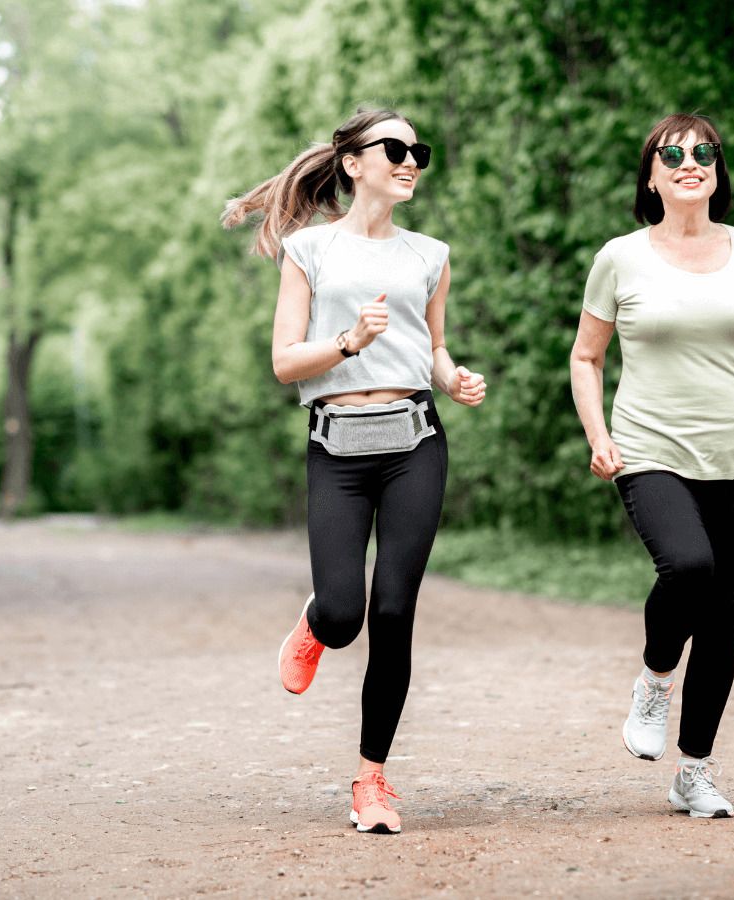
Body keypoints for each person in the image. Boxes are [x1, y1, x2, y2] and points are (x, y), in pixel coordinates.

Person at [222, 107, 486, 834]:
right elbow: (284, 362)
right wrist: (346, 342)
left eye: (419, 150)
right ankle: (314, 622)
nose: (411, 160)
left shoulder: (430, 253)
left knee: (394, 612)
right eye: (395, 148)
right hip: (336, 447)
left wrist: (454, 376)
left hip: (414, 443)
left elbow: (432, 349)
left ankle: (372, 780)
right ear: (353, 163)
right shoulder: (308, 250)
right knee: (346, 613)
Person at [569, 113, 734, 818]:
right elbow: (586, 357)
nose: (688, 161)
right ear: (652, 176)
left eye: (703, 152)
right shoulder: (620, 257)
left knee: (724, 619)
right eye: (672, 153)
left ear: (717, 170)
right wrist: (598, 434)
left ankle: (693, 771)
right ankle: (654, 678)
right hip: (650, 448)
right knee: (689, 567)